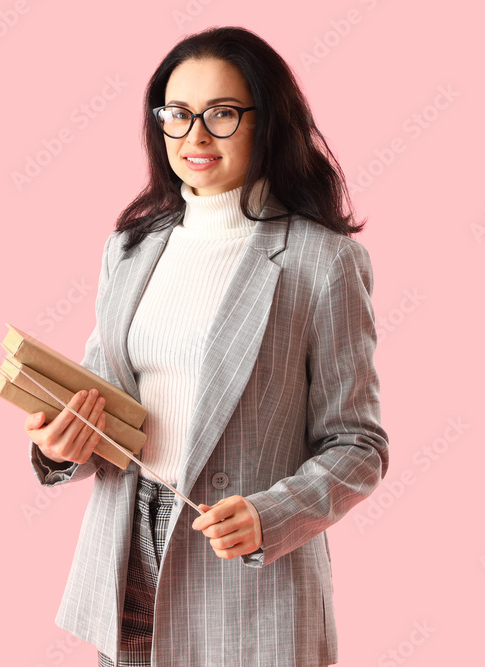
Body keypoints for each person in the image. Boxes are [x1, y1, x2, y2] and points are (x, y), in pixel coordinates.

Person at [23, 25, 389, 667]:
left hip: (249, 581)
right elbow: (103, 397)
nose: (194, 136)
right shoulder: (130, 248)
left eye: (221, 114)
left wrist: (272, 514)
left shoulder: (321, 262)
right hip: (126, 561)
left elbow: (359, 446)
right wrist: (60, 448)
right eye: (178, 113)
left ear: (266, 121)